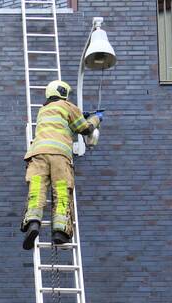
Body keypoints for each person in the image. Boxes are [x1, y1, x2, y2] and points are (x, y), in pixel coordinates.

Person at [21, 80, 103, 250]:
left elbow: (61, 123)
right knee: (61, 190)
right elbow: (85, 128)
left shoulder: (43, 110)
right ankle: (60, 231)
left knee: (36, 189)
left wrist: (79, 114)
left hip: (37, 155)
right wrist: (95, 118)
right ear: (64, 93)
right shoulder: (67, 106)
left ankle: (33, 224)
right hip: (59, 156)